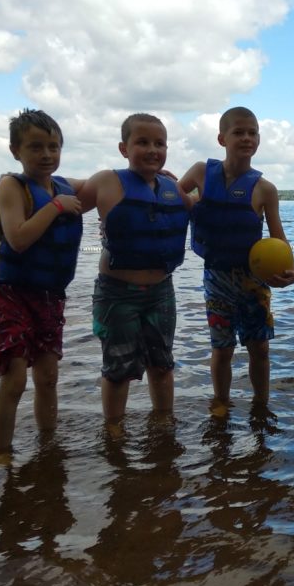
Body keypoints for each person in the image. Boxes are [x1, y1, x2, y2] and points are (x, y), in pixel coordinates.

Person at [178, 106, 294, 410]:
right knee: (222, 349)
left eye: (253, 133)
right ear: (222, 138)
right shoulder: (200, 173)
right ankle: (221, 404)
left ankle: (261, 406)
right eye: (239, 132)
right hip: (216, 278)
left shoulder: (265, 189)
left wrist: (290, 272)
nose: (247, 138)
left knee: (260, 348)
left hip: (253, 283)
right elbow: (169, 203)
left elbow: (279, 239)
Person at [79, 113, 192, 428]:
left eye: (159, 143)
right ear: (123, 148)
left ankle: (163, 421)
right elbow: (71, 202)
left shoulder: (171, 186)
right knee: (117, 370)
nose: (152, 149)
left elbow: (200, 209)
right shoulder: (106, 181)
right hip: (117, 293)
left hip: (161, 292)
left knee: (162, 364)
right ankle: (114, 430)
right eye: (142, 142)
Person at [0, 108, 91, 456]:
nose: (46, 155)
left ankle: (48, 446)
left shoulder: (64, 187)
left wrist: (154, 175)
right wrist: (56, 208)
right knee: (15, 377)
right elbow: (17, 238)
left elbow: (105, 184)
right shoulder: (12, 185)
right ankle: (1, 455)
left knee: (48, 376)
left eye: (53, 146)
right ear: (15, 151)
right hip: (13, 292)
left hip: (50, 295)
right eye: (35, 147)